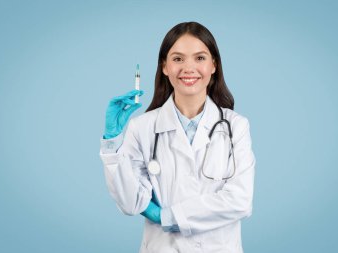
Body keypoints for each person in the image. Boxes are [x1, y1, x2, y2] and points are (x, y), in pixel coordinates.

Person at [100, 21, 255, 253]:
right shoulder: (142, 128)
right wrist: (112, 140)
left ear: (214, 65)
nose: (188, 68)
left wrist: (167, 216)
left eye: (200, 58)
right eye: (178, 59)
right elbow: (130, 203)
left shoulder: (236, 126)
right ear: (164, 66)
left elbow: (240, 201)